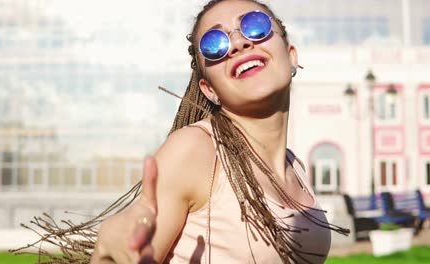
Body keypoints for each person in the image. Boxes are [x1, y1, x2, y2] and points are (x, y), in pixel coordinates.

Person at [18, 0, 348, 263]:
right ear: (209, 90)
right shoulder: (197, 151)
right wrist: (108, 258)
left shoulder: (296, 168)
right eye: (215, 43)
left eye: (255, 26)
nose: (236, 43)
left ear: (291, 57)